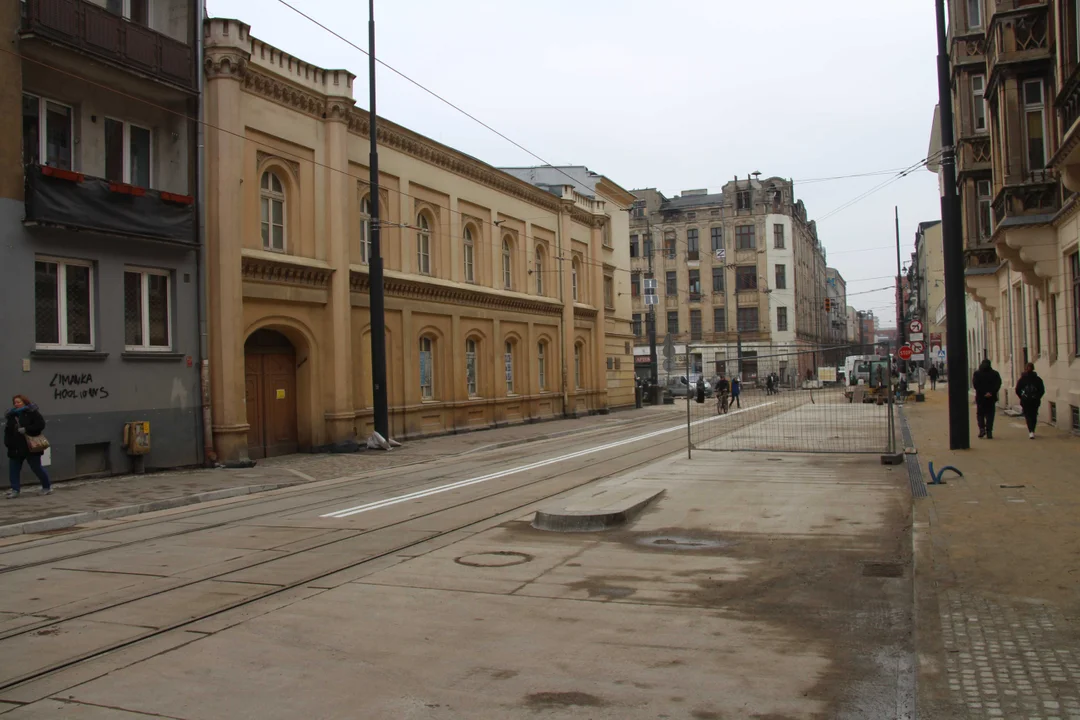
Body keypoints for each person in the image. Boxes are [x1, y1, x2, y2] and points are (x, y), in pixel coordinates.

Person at [5, 395, 52, 499]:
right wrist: (7, 443)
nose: (16, 404)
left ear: (25, 402)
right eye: (15, 402)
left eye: (19, 402)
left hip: (30, 446)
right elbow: (8, 430)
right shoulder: (11, 415)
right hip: (15, 447)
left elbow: (40, 425)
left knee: (36, 467)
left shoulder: (32, 412)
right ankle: (15, 490)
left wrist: (27, 429)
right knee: (14, 469)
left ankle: (46, 487)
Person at [971, 359, 1002, 439]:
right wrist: (991, 392)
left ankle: (982, 429)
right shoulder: (994, 374)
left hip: (981, 398)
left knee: (980, 414)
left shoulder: (977, 373)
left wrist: (983, 392)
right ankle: (989, 431)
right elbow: (998, 384)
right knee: (990, 415)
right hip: (991, 398)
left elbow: (975, 385)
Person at [1015, 363, 1046, 439]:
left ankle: (1031, 431)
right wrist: (1037, 397)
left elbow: (1017, 389)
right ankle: (1032, 430)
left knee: (1028, 415)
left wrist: (1021, 397)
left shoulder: (1022, 379)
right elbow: (1042, 390)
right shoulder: (1037, 379)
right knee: (1033, 415)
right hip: (1034, 400)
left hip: (1026, 400)